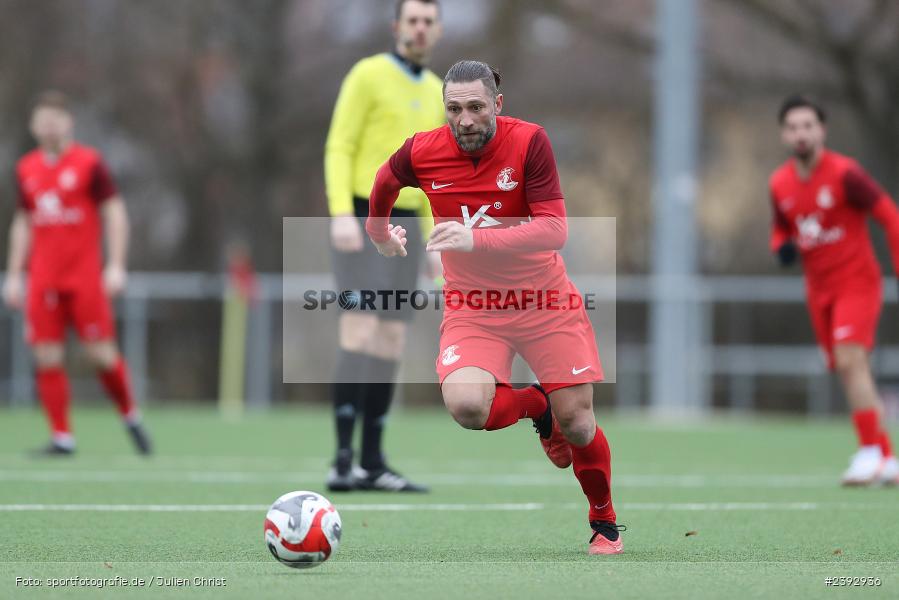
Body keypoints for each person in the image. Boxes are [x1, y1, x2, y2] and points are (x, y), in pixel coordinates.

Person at [366, 60, 625, 555]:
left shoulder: (530, 142)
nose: (465, 120)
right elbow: (383, 181)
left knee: (579, 423)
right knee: (466, 407)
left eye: (476, 108)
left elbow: (555, 229)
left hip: (544, 300)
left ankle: (604, 519)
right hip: (473, 306)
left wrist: (475, 238)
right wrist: (379, 234)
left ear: (497, 105)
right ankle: (536, 403)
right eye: (454, 109)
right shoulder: (422, 149)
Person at [323, 0, 444, 492]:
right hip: (362, 215)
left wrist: (434, 239)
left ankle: (372, 462)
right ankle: (342, 459)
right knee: (360, 330)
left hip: (409, 224)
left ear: (437, 31)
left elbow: (436, 175)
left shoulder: (439, 90)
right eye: (412, 19)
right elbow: (340, 145)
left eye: (428, 21)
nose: (420, 28)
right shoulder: (367, 74)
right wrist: (340, 214)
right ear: (397, 26)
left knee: (390, 340)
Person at [3, 91, 151, 456]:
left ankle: (130, 415)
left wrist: (115, 264)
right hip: (44, 279)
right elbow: (23, 222)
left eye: (56, 118)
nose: (49, 125)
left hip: (84, 278)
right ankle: (62, 437)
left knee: (101, 354)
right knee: (46, 355)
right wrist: (13, 273)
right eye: (42, 119)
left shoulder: (89, 164)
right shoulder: (26, 169)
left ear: (68, 122)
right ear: (33, 126)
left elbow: (114, 213)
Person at [769, 94, 899, 485]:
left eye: (808, 125)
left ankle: (869, 452)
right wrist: (782, 248)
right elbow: (781, 229)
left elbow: (890, 217)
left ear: (822, 130)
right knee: (847, 369)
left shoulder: (847, 174)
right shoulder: (780, 183)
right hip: (819, 290)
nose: (801, 134)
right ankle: (888, 459)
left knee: (849, 361)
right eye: (793, 127)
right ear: (784, 135)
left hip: (857, 284)